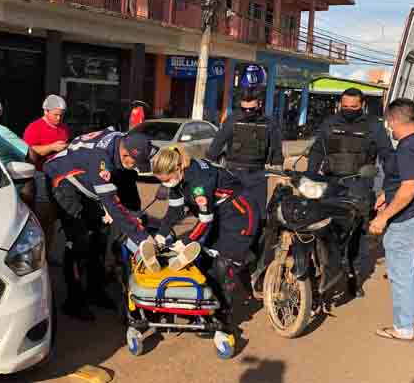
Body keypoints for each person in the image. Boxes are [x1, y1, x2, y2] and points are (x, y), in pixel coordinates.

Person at [44, 129, 200, 321]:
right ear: (125, 155)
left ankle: (95, 291)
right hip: (61, 180)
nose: (136, 167)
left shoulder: (129, 141)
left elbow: (131, 183)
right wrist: (142, 237)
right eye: (135, 163)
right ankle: (73, 301)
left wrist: (137, 216)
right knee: (79, 241)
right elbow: (113, 205)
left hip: (84, 179)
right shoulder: (100, 161)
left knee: (100, 236)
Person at [152, 145, 262, 342]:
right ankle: (206, 309)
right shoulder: (178, 180)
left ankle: (223, 322)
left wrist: (185, 241)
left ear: (178, 168)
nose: (166, 184)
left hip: (240, 215)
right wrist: (160, 236)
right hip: (219, 215)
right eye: (162, 181)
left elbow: (204, 220)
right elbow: (175, 212)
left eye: (167, 180)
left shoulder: (199, 182)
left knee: (223, 265)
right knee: (203, 261)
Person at [306, 87, 393, 297]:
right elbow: (317, 150)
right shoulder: (330, 123)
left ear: (362, 105)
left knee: (357, 235)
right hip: (330, 183)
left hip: (359, 185)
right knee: (323, 230)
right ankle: (322, 274)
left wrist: (388, 189)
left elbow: (388, 157)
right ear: (340, 104)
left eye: (353, 107)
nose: (348, 110)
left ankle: (354, 277)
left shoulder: (374, 126)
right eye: (345, 106)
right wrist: (309, 177)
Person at [370, 98, 414, 342]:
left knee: (399, 274)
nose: (389, 128)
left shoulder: (407, 147)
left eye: (389, 123)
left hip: (408, 217)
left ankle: (403, 327)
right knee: (407, 270)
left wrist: (383, 217)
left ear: (394, 120)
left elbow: (409, 188)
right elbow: (411, 181)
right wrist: (386, 195)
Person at [206, 84, 283, 215]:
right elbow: (217, 143)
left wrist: (280, 173)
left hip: (258, 173)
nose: (247, 112)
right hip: (233, 173)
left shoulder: (269, 123)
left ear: (259, 104)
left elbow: (276, 148)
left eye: (251, 109)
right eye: (244, 109)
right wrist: (208, 164)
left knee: (258, 213)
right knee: (228, 211)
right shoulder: (233, 120)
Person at [23, 95, 71, 267]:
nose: (59, 118)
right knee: (43, 217)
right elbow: (29, 152)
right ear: (46, 111)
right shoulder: (34, 128)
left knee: (52, 219)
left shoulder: (64, 128)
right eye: (56, 114)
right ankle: (38, 257)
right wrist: (51, 147)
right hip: (40, 175)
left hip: (59, 177)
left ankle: (48, 254)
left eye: (61, 115)